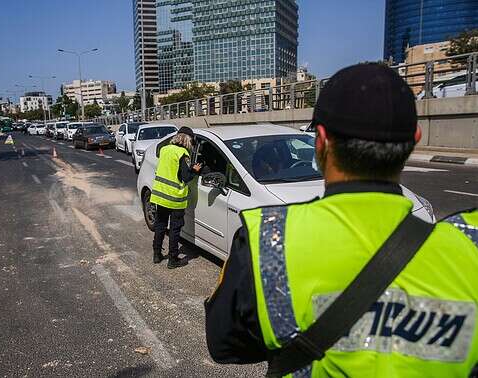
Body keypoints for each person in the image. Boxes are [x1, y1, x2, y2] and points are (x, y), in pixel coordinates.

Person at [205, 63, 478, 377]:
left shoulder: (266, 241)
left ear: (321, 140)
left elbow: (224, 345)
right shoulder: (469, 248)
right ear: (415, 138)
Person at [150, 126, 201, 269]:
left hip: (160, 195)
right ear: (188, 140)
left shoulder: (165, 150)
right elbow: (185, 177)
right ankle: (173, 259)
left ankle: (156, 254)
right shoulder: (183, 154)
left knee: (160, 225)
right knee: (174, 229)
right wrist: (195, 171)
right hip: (175, 198)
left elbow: (170, 170)